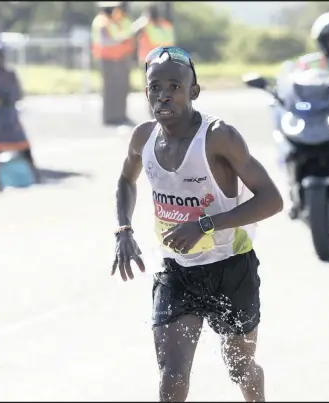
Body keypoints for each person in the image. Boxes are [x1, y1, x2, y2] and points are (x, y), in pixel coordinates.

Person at [112, 46, 284, 401]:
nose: (163, 94)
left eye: (174, 86)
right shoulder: (143, 137)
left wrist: (205, 225)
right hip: (177, 273)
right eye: (155, 87)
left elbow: (272, 199)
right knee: (172, 376)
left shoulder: (219, 137)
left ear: (194, 91)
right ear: (146, 93)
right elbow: (126, 181)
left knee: (239, 366)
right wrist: (123, 230)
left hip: (231, 269)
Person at [0, 41, 39, 184]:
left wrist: (10, 98)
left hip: (9, 115)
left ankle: (34, 173)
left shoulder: (10, 73)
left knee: (23, 144)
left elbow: (19, 93)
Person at [91, 1, 135, 126]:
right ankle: (110, 117)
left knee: (118, 88)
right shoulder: (102, 22)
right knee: (110, 89)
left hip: (116, 58)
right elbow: (106, 40)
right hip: (107, 58)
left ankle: (119, 115)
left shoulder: (110, 22)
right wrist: (121, 40)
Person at [133, 3, 175, 118]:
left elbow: (133, 33)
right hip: (164, 61)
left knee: (152, 89)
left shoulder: (145, 26)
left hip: (150, 62)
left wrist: (143, 22)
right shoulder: (166, 25)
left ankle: (154, 113)